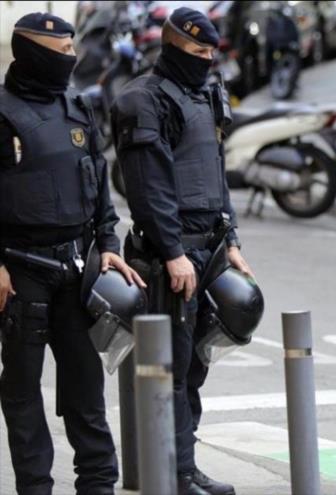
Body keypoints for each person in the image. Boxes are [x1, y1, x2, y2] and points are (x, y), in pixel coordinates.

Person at [0, 12, 144, 494]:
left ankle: (98, 485)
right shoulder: (2, 114)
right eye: (62, 52)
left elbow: (99, 186)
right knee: (22, 392)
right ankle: (36, 488)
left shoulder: (78, 107)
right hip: (22, 270)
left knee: (86, 388)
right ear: (34, 52)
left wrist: (107, 244)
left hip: (78, 266)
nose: (72, 59)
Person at [111, 8, 253, 495]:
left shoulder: (203, 93)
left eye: (211, 52)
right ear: (171, 47)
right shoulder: (142, 100)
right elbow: (148, 189)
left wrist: (231, 239)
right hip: (172, 254)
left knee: (193, 367)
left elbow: (214, 172)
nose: (207, 60)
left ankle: (182, 463)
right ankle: (174, 472)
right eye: (197, 52)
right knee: (168, 370)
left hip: (209, 249)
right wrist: (172, 252)